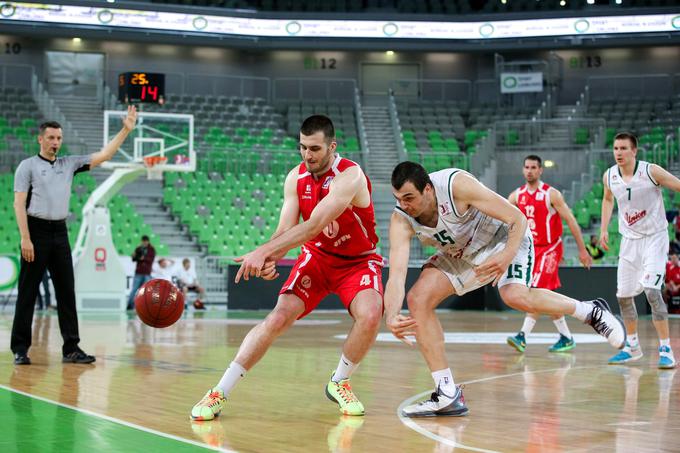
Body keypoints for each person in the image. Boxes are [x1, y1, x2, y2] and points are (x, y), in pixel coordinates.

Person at [384, 162, 626, 417]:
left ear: (429, 190)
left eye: (409, 198)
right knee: (417, 298)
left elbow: (517, 218)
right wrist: (391, 315)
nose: (404, 205)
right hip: (462, 253)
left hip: (504, 237)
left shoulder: (456, 185)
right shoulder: (401, 219)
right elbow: (397, 276)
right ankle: (446, 392)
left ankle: (591, 311)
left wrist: (506, 255)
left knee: (514, 295)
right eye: (398, 199)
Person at [190, 115, 384, 420]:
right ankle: (218, 392)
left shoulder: (350, 175)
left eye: (315, 148)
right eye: (303, 147)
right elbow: (285, 229)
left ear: (332, 146)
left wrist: (264, 252)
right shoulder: (295, 178)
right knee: (277, 317)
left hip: (357, 261)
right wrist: (270, 258)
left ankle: (339, 381)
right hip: (317, 259)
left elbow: (315, 224)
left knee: (371, 314)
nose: (308, 155)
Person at [11, 105, 138, 365]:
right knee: (27, 293)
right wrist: (26, 238)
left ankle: (71, 348)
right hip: (35, 231)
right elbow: (18, 204)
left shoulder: (69, 164)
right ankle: (20, 349)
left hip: (60, 232)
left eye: (58, 138)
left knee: (67, 292)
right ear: (40, 139)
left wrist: (125, 130)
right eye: (51, 138)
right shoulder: (28, 167)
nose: (55, 142)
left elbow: (105, 154)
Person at [601, 132, 679, 369]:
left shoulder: (650, 171)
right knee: (623, 296)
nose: (619, 153)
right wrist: (604, 228)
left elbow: (677, 185)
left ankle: (666, 349)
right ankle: (632, 347)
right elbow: (607, 200)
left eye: (623, 148)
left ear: (634, 151)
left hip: (655, 238)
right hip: (629, 241)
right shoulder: (610, 176)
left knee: (652, 292)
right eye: (616, 148)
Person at [506, 155, 593, 353]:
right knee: (545, 295)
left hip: (551, 247)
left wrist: (582, 249)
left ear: (540, 170)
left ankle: (522, 336)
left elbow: (571, 220)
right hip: (530, 250)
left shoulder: (551, 194)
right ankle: (566, 336)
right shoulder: (515, 196)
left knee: (535, 289)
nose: (529, 171)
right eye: (526, 167)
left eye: (533, 167)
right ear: (523, 170)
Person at [127, 235, 156, 310]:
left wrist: (143, 258)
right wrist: (133, 256)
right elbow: (134, 259)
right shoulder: (138, 248)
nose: (144, 242)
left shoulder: (151, 249)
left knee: (146, 291)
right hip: (139, 272)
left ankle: (146, 306)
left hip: (147, 272)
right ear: (142, 241)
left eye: (145, 241)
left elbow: (151, 259)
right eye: (143, 241)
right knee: (134, 289)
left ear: (148, 241)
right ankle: (130, 305)